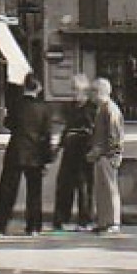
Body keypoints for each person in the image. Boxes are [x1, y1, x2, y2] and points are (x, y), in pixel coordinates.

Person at [0, 73, 53, 236]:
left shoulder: (16, 105)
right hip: (35, 154)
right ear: (38, 88)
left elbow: (8, 123)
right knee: (34, 192)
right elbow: (47, 135)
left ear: (25, 87)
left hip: (16, 152)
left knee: (7, 190)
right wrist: (47, 159)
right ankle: (33, 227)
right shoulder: (44, 109)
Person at [52, 75, 96, 232]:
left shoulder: (92, 108)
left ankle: (85, 220)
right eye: (72, 89)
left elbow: (93, 131)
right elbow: (65, 128)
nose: (74, 93)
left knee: (84, 187)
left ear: (85, 91)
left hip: (84, 153)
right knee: (64, 185)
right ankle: (61, 219)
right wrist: (57, 148)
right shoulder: (69, 107)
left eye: (76, 89)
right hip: (69, 152)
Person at [87, 78, 124, 235]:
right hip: (101, 155)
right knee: (102, 190)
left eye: (93, 91)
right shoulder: (102, 108)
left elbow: (114, 135)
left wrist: (115, 154)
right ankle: (103, 221)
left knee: (109, 189)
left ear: (99, 92)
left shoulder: (110, 109)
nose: (91, 95)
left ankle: (113, 222)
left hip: (107, 155)